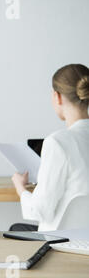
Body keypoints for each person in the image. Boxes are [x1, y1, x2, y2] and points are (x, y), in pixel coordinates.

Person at [11, 64, 89, 231]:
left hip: (61, 244)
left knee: (15, 230)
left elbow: (40, 210)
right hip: (85, 242)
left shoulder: (58, 142)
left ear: (57, 97)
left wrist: (21, 189)